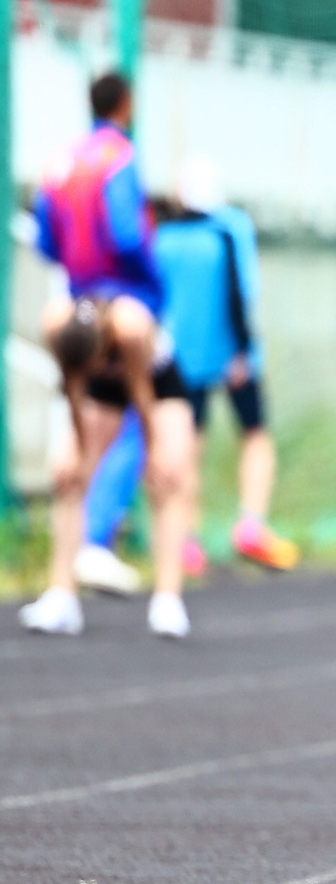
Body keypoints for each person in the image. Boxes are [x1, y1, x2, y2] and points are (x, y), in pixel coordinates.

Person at [20, 71, 197, 641]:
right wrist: (77, 450)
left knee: (170, 471)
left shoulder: (132, 326)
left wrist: (155, 448)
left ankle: (167, 599)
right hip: (107, 300)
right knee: (66, 472)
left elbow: (141, 393)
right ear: (126, 105)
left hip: (152, 374)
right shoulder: (60, 324)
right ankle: (60, 595)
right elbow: (125, 235)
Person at [77, 157, 299, 582]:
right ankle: (251, 523)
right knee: (254, 435)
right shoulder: (229, 232)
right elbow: (240, 294)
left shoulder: (162, 238)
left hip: (178, 359)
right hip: (230, 355)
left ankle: (187, 539)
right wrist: (242, 350)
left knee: (189, 445)